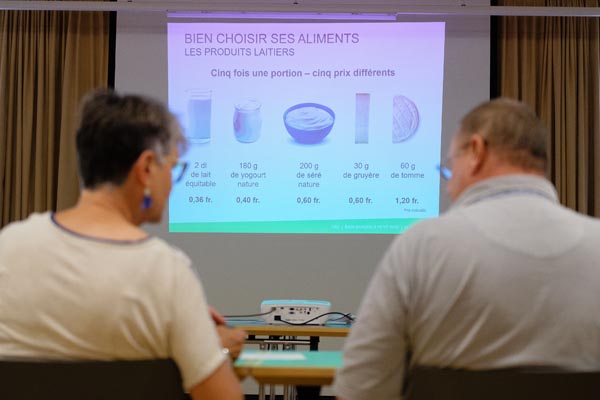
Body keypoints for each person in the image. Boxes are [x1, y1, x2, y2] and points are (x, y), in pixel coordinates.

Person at [334, 98, 600, 400]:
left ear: (476, 151)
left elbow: (361, 391)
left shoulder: (422, 246)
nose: (449, 187)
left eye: (450, 166)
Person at [0, 89, 244, 400]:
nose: (172, 182)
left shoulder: (8, 246)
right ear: (146, 168)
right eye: (172, 167)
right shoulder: (166, 273)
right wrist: (213, 349)